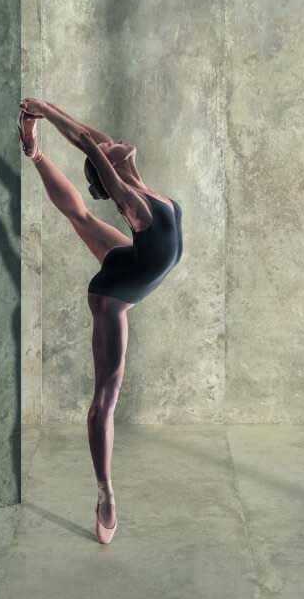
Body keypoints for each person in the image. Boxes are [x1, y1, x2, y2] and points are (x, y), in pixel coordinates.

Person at [17, 98, 183, 545]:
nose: (117, 142)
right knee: (105, 401)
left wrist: (36, 139)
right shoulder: (136, 206)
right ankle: (105, 492)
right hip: (114, 294)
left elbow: (96, 143)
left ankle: (34, 157)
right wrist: (44, 110)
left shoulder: (138, 186)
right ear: (109, 173)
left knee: (80, 216)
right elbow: (89, 145)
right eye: (110, 151)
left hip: (130, 265)